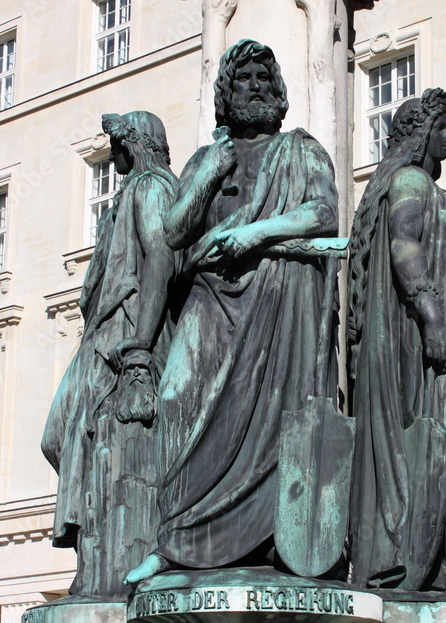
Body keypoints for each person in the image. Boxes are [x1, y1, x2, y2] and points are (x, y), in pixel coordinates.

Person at [124, 39, 339, 584]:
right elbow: (173, 233)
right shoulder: (207, 157)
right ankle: (177, 540)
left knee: (275, 417)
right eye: (244, 78)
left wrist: (256, 232)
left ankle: (273, 541)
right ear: (225, 92)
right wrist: (205, 176)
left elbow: (323, 213)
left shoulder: (301, 149)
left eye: (266, 77)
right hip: (211, 298)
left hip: (279, 296)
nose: (257, 86)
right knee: (175, 402)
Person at [346, 88, 446, 593]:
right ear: (422, 135)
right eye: (443, 129)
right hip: (423, 340)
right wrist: (432, 318)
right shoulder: (411, 181)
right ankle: (431, 563)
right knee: (445, 442)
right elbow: (402, 243)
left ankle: (445, 558)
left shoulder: (426, 188)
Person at [41, 111, 179, 599]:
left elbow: (160, 255)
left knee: (97, 447)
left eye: (117, 143)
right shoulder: (131, 192)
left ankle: (106, 566)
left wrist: (141, 344)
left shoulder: (152, 187)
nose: (112, 154)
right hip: (102, 335)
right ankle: (91, 554)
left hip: (123, 336)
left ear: (136, 144)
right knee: (62, 437)